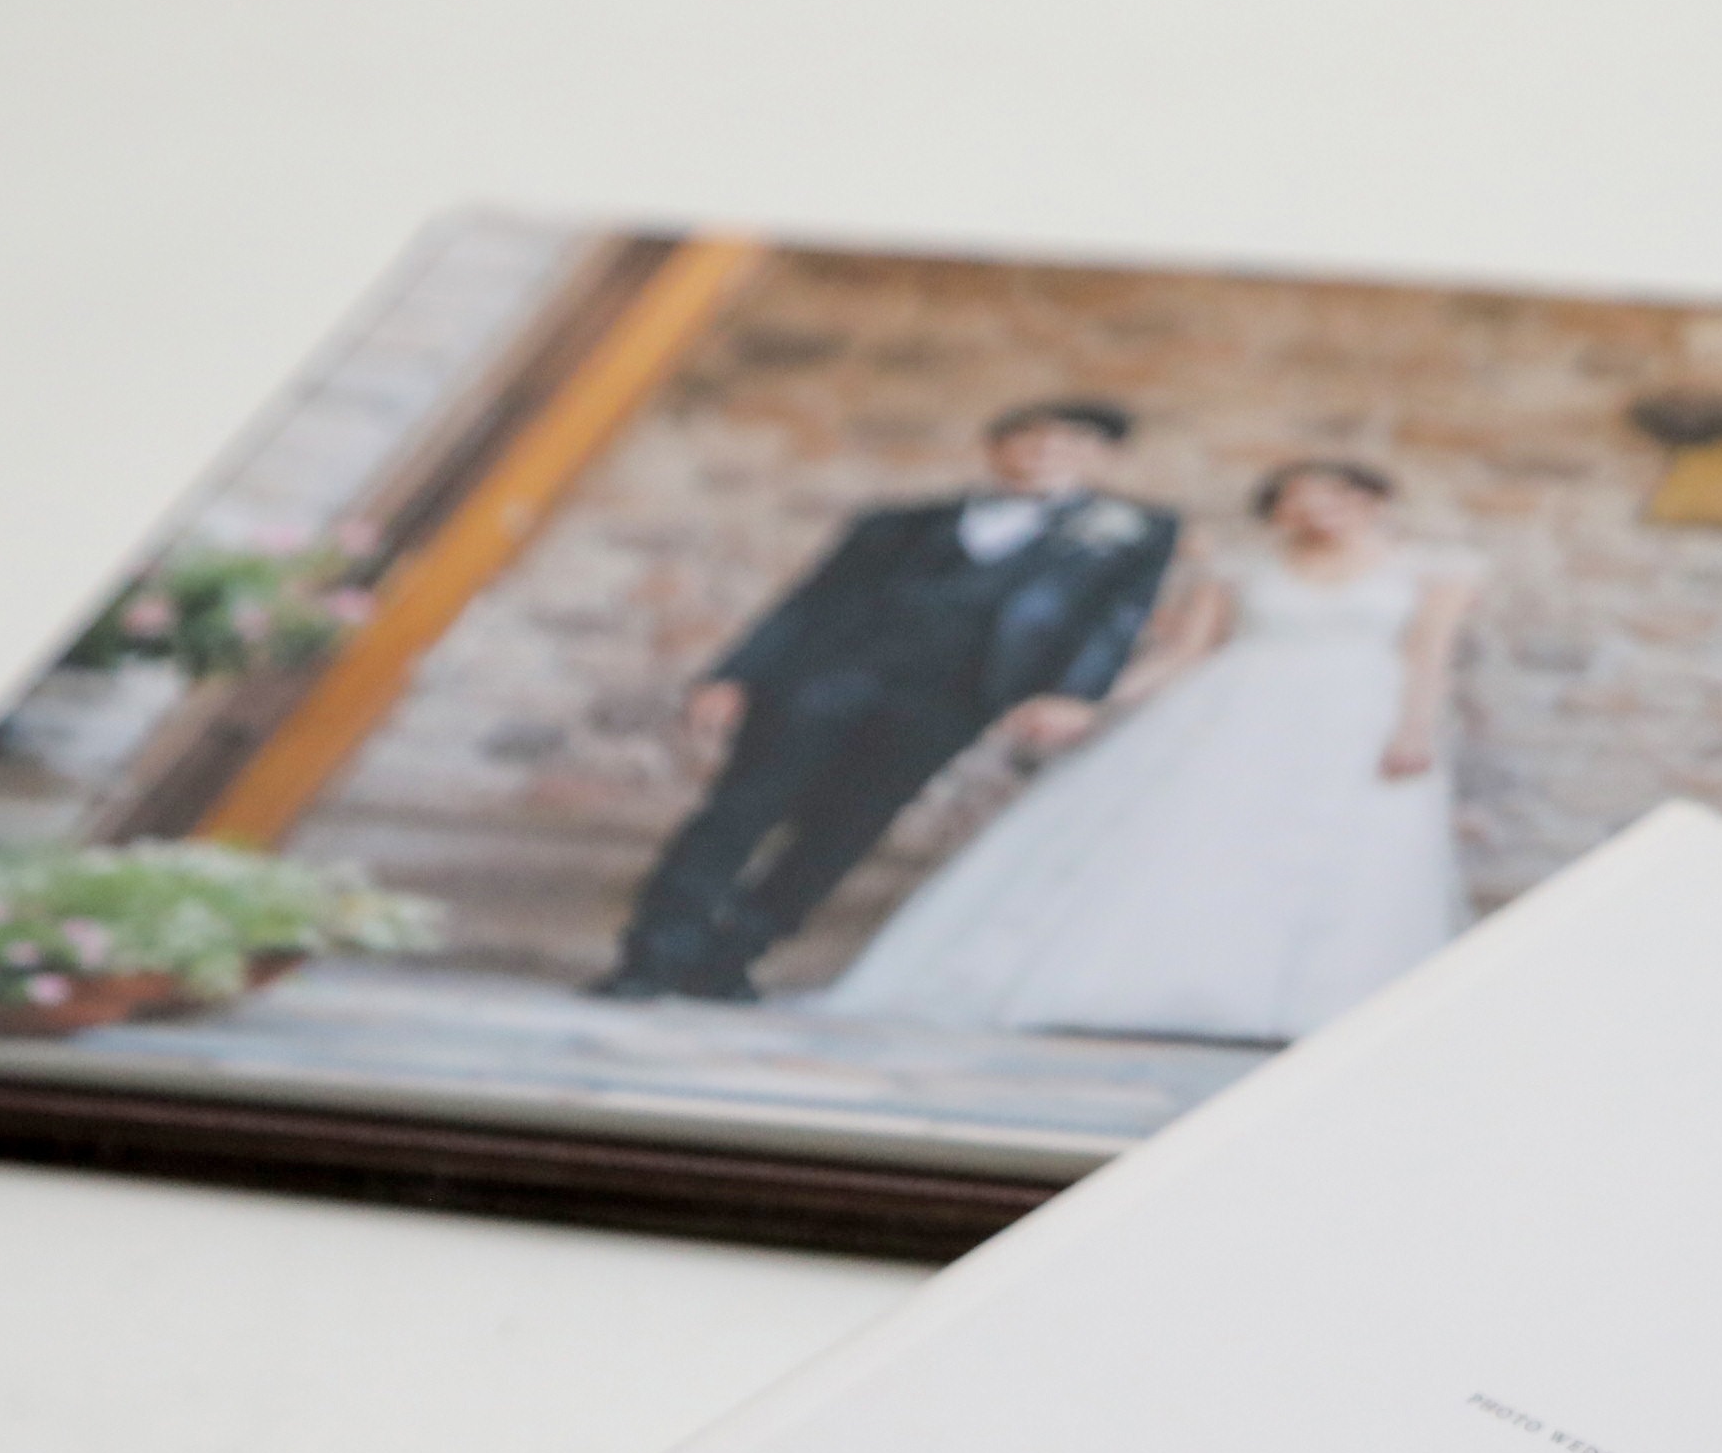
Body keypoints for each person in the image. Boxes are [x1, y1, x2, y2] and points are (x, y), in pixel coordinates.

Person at [817, 457, 1480, 1041]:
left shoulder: (1432, 572)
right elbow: (1185, 651)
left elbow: (1428, 657)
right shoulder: (1239, 569)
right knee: (1201, 844)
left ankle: (1312, 1001)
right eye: (1299, 499)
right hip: (1233, 716)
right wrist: (1096, 704)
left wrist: (1414, 732)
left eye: (1335, 496)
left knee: (1347, 854)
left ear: (1372, 501)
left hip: (1356, 719)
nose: (1318, 511)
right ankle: (1152, 985)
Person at [596, 400, 1179, 1003]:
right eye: (1031, 440)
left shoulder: (1133, 535)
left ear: (1101, 459)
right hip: (821, 683)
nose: (1045, 454)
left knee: (843, 832)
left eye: (1069, 444)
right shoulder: (899, 522)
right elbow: (809, 603)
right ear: (998, 448)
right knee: (737, 813)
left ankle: (732, 954)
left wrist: (1073, 695)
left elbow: (1116, 621)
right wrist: (733, 676)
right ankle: (652, 956)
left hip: (951, 701)